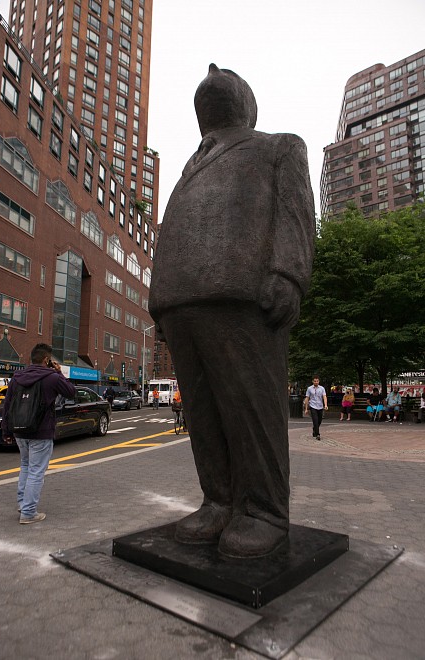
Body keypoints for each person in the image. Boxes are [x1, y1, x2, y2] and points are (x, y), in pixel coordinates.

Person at [148, 64, 315, 558]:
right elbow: (171, 230)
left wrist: (287, 274)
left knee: (251, 408)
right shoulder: (189, 165)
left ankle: (264, 510)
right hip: (182, 301)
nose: (214, 75)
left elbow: (296, 212)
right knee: (203, 413)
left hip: (243, 297)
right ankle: (218, 500)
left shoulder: (280, 146)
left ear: (248, 104)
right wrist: (161, 302)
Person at [2, 343, 76, 524]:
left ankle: (22, 503)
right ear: (46, 360)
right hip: (41, 432)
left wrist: (6, 431)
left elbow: (8, 405)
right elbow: (71, 392)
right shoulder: (51, 377)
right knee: (36, 471)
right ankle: (28, 512)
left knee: (26, 466)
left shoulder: (17, 377)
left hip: (20, 431)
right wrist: (59, 372)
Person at [304, 376, 328, 440]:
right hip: (313, 406)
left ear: (319, 381)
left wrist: (325, 405)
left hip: (320, 406)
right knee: (315, 420)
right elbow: (307, 398)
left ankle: (315, 429)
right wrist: (306, 408)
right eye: (315, 381)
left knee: (319, 420)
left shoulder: (322, 388)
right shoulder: (309, 389)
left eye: (317, 381)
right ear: (313, 381)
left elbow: (324, 397)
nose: (316, 382)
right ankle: (318, 434)